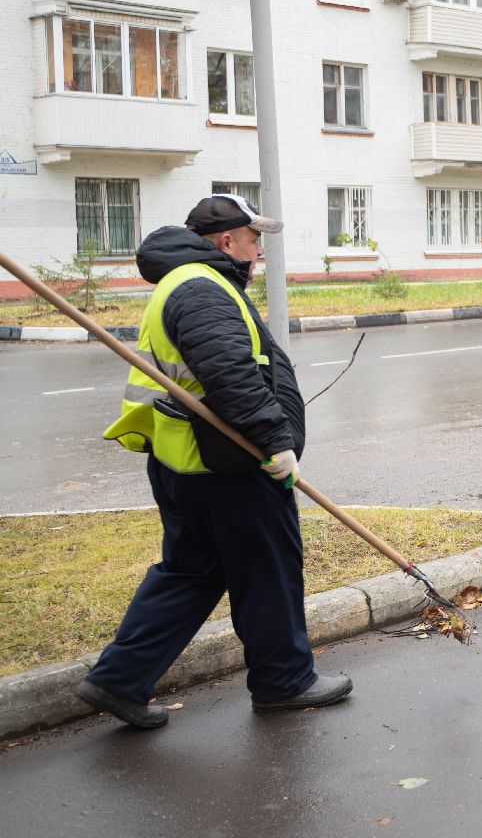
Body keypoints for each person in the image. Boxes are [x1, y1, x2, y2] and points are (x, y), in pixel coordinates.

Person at [76, 195, 350, 729]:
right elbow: (230, 374)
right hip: (230, 463)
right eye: (254, 239)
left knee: (190, 572)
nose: (259, 250)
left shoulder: (185, 283)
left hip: (187, 463)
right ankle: (284, 681)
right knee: (267, 571)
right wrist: (275, 441)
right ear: (227, 241)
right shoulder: (201, 288)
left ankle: (118, 678)